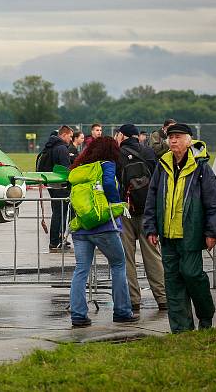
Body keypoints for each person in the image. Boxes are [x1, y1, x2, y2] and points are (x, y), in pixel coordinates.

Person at [143, 123, 216, 333]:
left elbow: (213, 203)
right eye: (171, 137)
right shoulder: (163, 164)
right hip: (167, 235)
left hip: (191, 234)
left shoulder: (201, 167)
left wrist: (211, 232)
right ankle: (181, 329)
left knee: (192, 274)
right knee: (173, 282)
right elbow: (152, 198)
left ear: (189, 140)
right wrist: (150, 228)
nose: (174, 140)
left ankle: (205, 315)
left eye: (178, 136)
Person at [68, 136, 138, 327]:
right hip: (104, 226)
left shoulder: (79, 169)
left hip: (82, 226)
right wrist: (116, 204)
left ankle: (78, 314)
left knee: (81, 270)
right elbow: (108, 184)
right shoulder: (107, 164)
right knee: (118, 264)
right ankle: (122, 311)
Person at [114, 124, 167, 311]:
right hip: (147, 210)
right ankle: (163, 298)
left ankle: (133, 299)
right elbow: (157, 179)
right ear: (137, 136)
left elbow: (115, 182)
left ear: (122, 135)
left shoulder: (117, 153)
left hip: (125, 210)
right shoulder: (149, 152)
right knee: (153, 255)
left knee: (127, 257)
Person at [39, 125, 73, 251]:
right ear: (64, 135)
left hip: (52, 184)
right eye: (70, 136)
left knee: (57, 212)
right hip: (61, 186)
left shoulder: (50, 146)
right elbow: (66, 168)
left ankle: (57, 240)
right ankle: (55, 241)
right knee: (60, 213)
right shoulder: (62, 148)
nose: (70, 139)